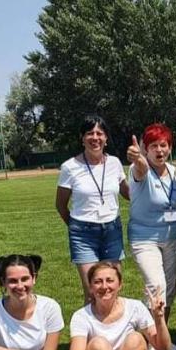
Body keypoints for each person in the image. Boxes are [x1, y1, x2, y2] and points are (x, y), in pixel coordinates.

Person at [126, 123, 176, 350]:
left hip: (171, 237)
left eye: (163, 145)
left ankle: (163, 338)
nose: (159, 150)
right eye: (153, 146)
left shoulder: (174, 171)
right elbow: (140, 168)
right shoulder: (139, 169)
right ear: (145, 149)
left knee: (167, 290)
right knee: (156, 285)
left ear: (170, 147)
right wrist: (138, 158)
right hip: (144, 238)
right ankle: (151, 345)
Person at [56, 115, 129, 301]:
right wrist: (77, 227)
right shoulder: (69, 167)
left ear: (106, 138)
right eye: (90, 133)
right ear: (82, 138)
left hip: (112, 231)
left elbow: (129, 194)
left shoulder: (114, 163)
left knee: (112, 290)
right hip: (83, 235)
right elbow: (61, 205)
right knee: (92, 291)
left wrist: (141, 171)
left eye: (99, 133)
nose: (95, 137)